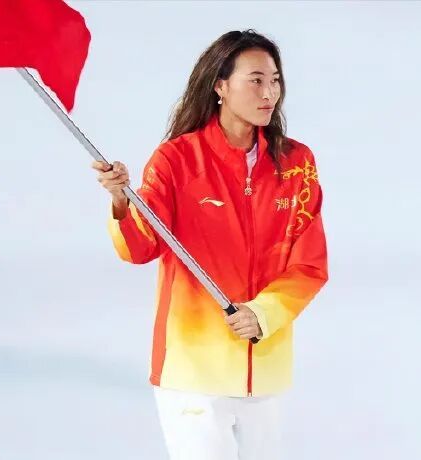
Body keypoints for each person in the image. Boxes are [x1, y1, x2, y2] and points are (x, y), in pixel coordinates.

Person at [91, 29, 328, 460]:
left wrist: (263, 313)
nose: (269, 93)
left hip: (265, 367)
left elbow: (310, 263)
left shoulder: (296, 164)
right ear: (220, 86)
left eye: (275, 80)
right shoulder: (177, 159)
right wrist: (121, 201)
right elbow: (140, 249)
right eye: (255, 80)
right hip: (192, 372)